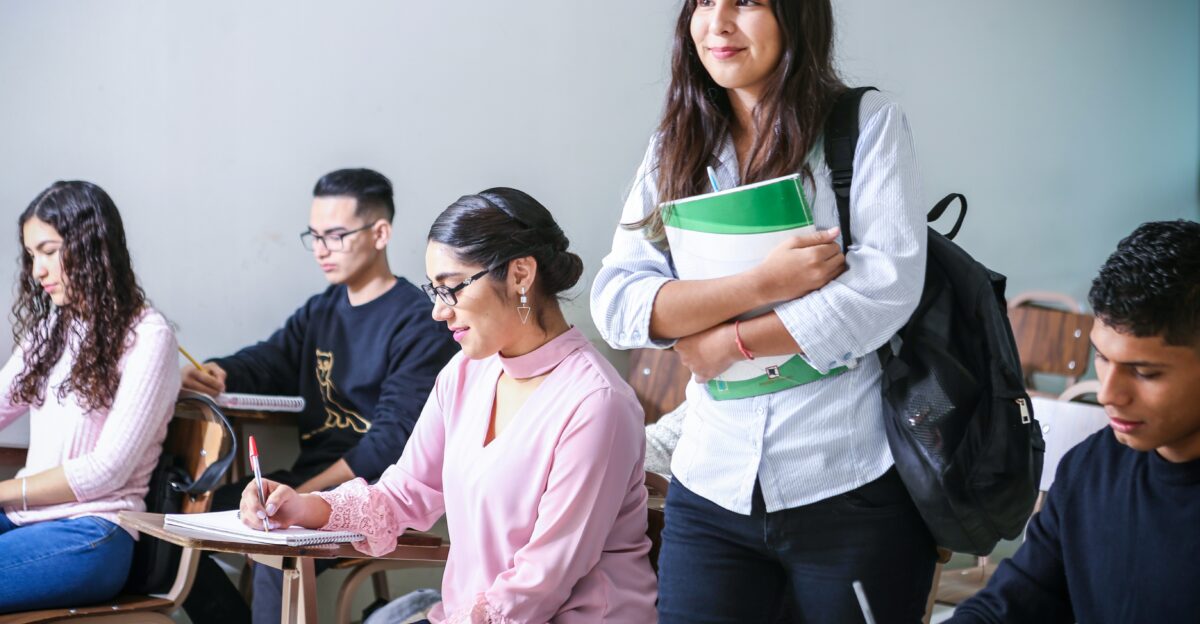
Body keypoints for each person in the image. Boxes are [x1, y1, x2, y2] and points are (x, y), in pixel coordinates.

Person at [591, 0, 937, 621]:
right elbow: (618, 301)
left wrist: (727, 345)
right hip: (712, 486)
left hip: (845, 477)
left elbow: (882, 291)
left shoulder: (865, 125)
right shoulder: (676, 144)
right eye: (702, 2)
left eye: (745, 2)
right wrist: (762, 283)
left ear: (797, 15)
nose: (717, 23)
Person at [241, 188, 658, 623]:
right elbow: (402, 494)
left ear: (520, 275)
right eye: (433, 291)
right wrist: (303, 506)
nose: (439, 312)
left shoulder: (596, 405)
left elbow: (542, 580)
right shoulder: (464, 375)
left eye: (451, 288)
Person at [181, 168, 458, 624]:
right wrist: (219, 371)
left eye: (336, 235)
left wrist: (303, 498)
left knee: (279, 559)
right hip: (307, 480)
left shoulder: (418, 320)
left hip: (376, 492)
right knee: (184, 521)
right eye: (315, 236)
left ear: (380, 233)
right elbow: (270, 361)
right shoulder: (322, 309)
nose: (322, 250)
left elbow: (388, 445)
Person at [948, 220, 1200, 623]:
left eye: (1145, 372)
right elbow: (1017, 600)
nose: (1107, 394)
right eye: (1101, 357)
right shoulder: (1091, 467)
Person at [0, 181, 181, 612]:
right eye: (31, 256)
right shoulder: (50, 331)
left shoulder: (148, 336)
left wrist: (3, 491)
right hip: (24, 521)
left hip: (92, 533)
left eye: (48, 250)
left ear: (90, 245)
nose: (37, 271)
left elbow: (105, 471)